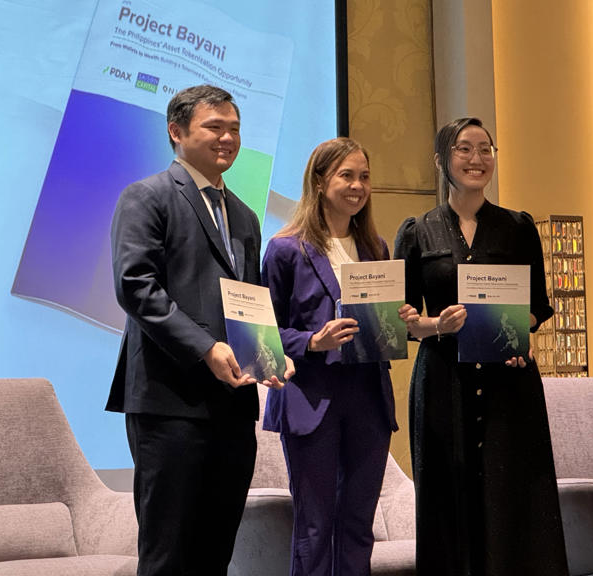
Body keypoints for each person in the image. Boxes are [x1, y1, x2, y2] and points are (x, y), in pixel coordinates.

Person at [107, 84, 293, 576]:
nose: (228, 138)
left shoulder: (245, 215)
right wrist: (205, 348)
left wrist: (269, 352)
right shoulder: (147, 196)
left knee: (216, 554)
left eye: (234, 129)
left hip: (232, 405)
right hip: (169, 403)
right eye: (215, 127)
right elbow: (136, 287)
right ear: (176, 131)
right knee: (168, 555)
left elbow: (247, 298)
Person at [394, 117, 569, 575]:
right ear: (441, 160)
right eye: (464, 149)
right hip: (442, 382)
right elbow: (404, 323)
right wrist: (437, 324)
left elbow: (538, 307)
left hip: (507, 382)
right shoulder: (416, 231)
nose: (477, 159)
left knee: (513, 499)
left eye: (485, 149)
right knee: (445, 499)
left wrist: (516, 329)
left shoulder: (518, 227)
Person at [261, 137, 402, 575]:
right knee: (315, 527)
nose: (358, 186)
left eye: (364, 177)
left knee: (359, 526)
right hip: (311, 398)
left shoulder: (376, 248)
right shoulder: (286, 248)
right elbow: (263, 333)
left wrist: (398, 320)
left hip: (368, 398)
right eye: (347, 176)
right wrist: (311, 342)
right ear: (320, 181)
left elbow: (382, 326)